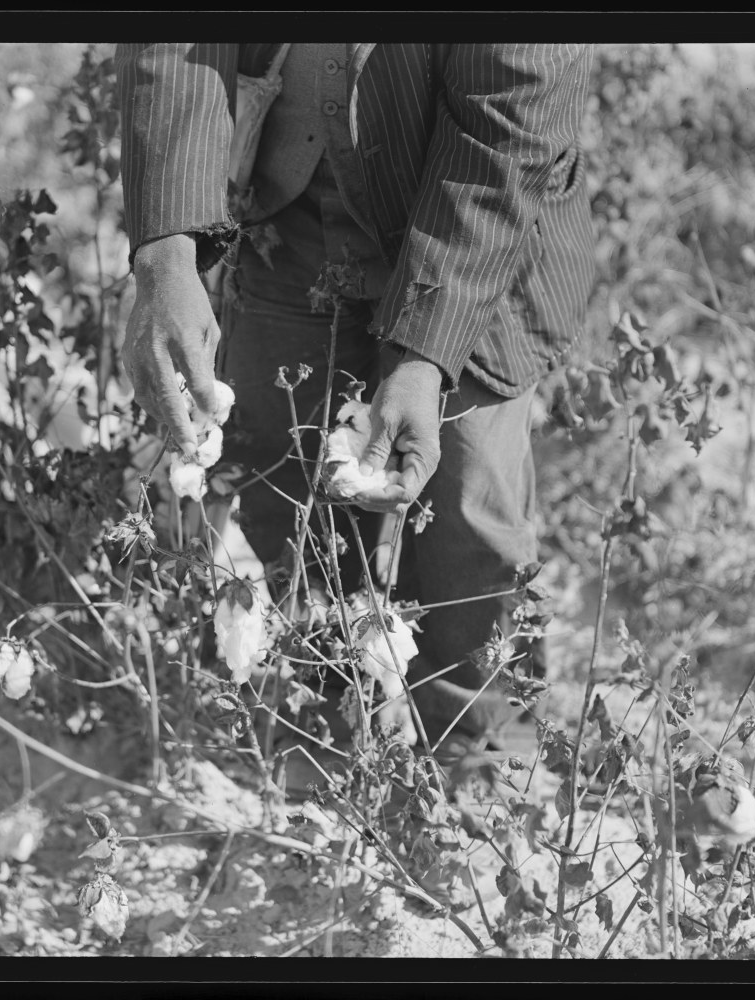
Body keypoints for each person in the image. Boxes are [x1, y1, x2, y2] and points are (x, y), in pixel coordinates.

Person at [115, 43, 595, 749]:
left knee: (466, 515)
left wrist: (424, 355)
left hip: (480, 240)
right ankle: (329, 732)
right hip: (289, 226)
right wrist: (164, 255)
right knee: (289, 489)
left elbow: (508, 126)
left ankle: (475, 760)